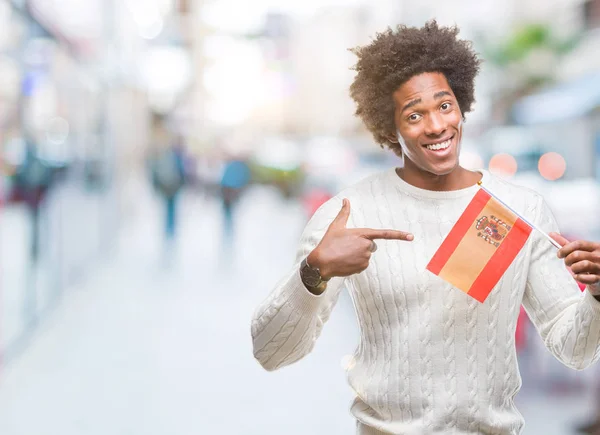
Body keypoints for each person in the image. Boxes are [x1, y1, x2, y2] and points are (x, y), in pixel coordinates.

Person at [250, 20, 600, 434]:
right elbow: (270, 351)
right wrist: (313, 272)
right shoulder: (349, 213)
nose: (436, 126)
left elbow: (575, 349)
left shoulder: (519, 208)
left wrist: (596, 294)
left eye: (445, 105)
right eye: (414, 114)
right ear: (389, 127)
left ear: (462, 104)